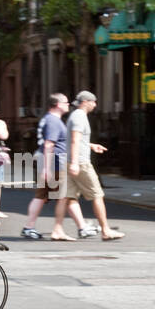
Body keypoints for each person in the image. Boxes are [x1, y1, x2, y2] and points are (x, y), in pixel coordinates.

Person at [21, 93, 91, 240]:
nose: (68, 105)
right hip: (55, 163)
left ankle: (82, 227)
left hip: (52, 162)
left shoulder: (50, 119)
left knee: (53, 196)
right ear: (58, 105)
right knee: (63, 196)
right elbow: (49, 144)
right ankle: (36, 228)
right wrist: (46, 169)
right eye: (66, 102)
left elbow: (59, 142)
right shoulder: (53, 121)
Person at [64, 91, 124, 240]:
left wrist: (91, 145)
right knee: (97, 195)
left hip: (71, 160)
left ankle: (76, 228)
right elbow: (74, 140)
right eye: (93, 101)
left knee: (69, 197)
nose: (95, 105)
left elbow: (75, 139)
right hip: (81, 162)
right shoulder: (79, 116)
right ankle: (106, 231)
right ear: (85, 102)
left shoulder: (75, 115)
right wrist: (75, 163)